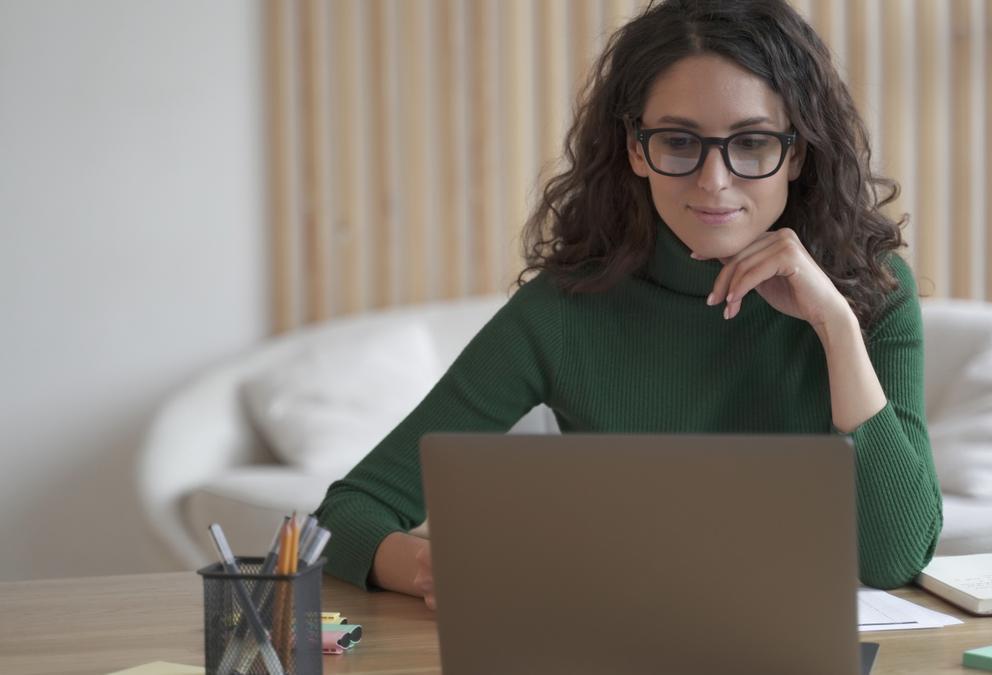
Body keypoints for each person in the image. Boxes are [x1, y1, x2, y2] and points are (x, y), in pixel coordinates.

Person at [315, 0, 942, 609]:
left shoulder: (872, 290)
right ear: (636, 150)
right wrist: (433, 567)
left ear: (797, 152)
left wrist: (835, 327)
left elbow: (895, 557)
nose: (714, 181)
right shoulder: (564, 312)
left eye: (751, 143)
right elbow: (347, 514)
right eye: (678, 141)